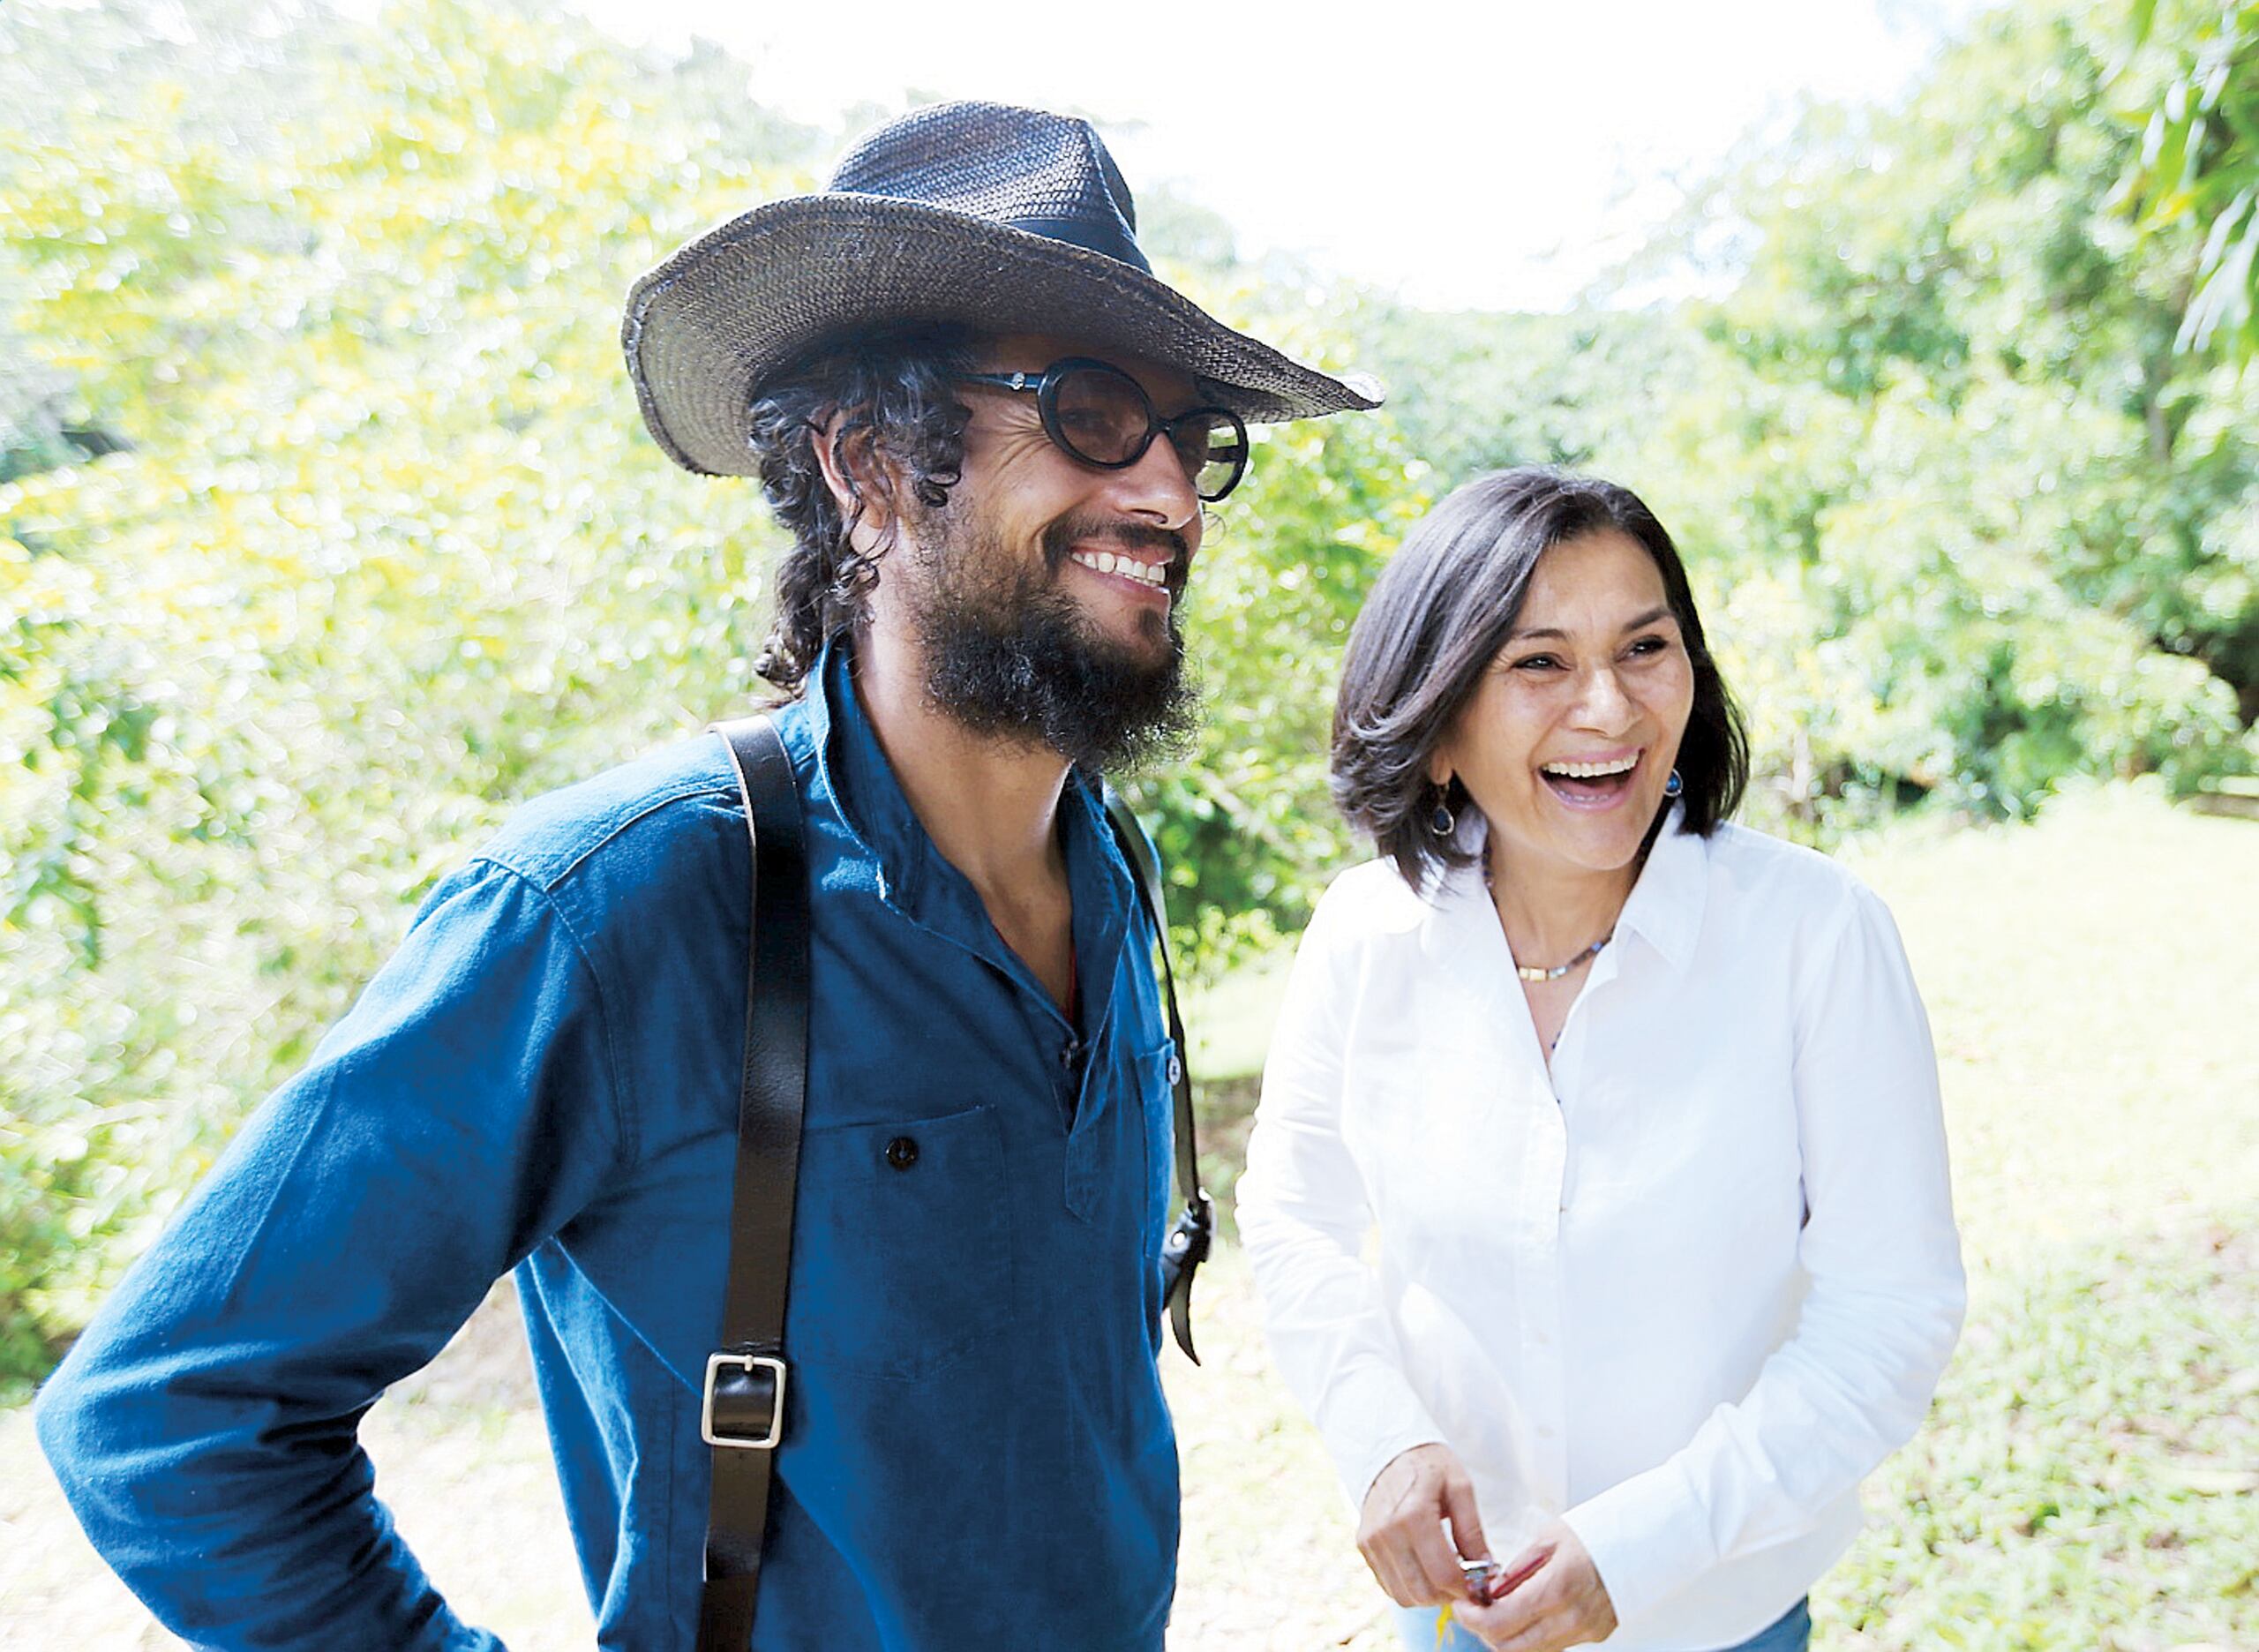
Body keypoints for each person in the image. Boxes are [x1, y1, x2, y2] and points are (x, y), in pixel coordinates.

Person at [34, 101, 1379, 1650]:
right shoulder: (617, 911)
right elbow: (172, 1420)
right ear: (872, 466)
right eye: (1089, 413)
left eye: (1189, 442)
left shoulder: (1116, 871)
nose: (1164, 496)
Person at [1235, 468, 1963, 1652]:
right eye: (1539, 663)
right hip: (1460, 1614)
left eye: (1644, 648)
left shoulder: (1815, 936)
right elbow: (1293, 1214)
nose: (1610, 710)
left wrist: (1642, 1547)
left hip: (1723, 1614)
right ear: (1438, 720)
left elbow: (1891, 1309)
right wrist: (1382, 1441)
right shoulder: (1366, 939)